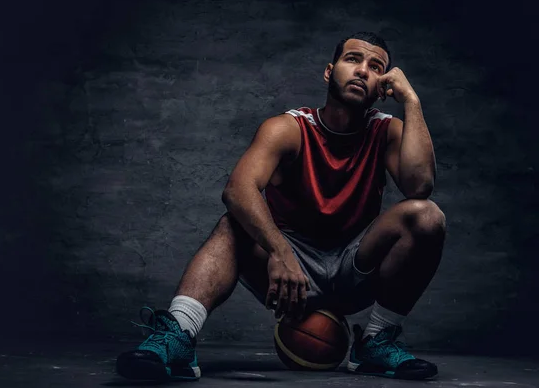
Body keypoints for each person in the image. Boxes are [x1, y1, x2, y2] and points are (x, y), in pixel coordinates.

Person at [116, 31, 447, 381]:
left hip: (355, 267)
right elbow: (238, 189)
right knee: (232, 224)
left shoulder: (386, 131)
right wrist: (279, 251)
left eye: (375, 66)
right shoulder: (288, 128)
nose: (363, 70)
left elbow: (419, 185)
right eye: (353, 60)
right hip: (290, 271)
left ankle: (375, 341)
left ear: (384, 84)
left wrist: (411, 100)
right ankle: (179, 334)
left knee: (426, 216)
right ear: (329, 71)